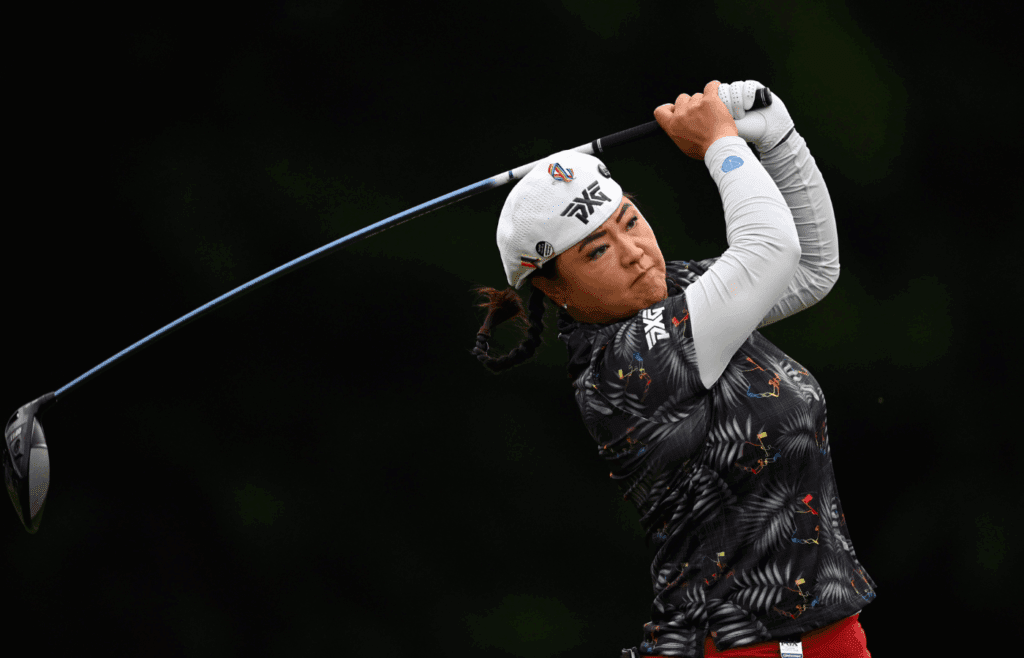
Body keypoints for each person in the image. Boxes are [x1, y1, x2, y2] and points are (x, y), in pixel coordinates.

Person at [469, 80, 876, 657]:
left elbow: (808, 267)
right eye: (597, 250)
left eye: (630, 221)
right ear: (555, 291)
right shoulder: (625, 363)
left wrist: (778, 138)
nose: (633, 251)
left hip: (827, 639)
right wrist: (721, 145)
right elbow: (770, 250)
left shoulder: (676, 292)